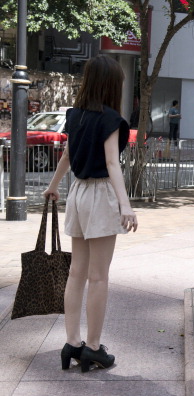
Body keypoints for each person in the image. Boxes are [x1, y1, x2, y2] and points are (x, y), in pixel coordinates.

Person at [43, 55, 138, 373]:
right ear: (112, 85)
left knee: (76, 273)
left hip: (77, 193)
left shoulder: (76, 115)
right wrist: (126, 205)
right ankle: (94, 348)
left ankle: (72, 342)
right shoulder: (110, 118)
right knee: (98, 277)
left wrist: (53, 185)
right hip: (99, 195)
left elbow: (68, 154)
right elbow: (112, 163)